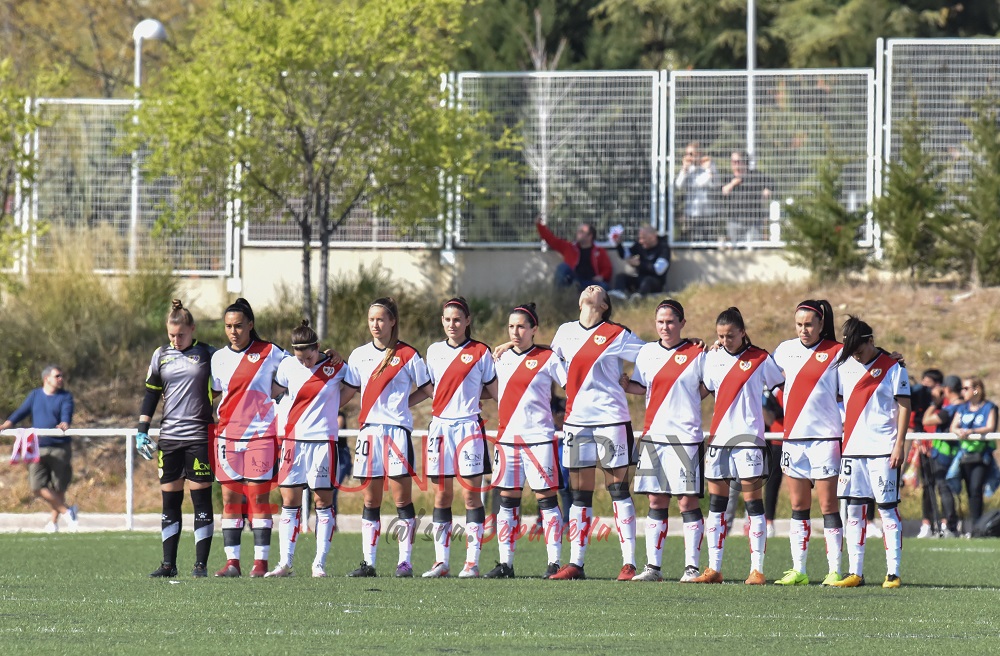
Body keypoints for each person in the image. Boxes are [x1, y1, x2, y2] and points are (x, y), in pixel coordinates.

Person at [547, 286, 645, 581]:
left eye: (598, 290)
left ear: (604, 306)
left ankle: (629, 563)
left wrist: (633, 381)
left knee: (618, 491)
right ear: (580, 302)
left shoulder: (617, 333)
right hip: (576, 422)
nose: (592, 288)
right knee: (580, 495)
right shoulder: (564, 332)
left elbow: (653, 355)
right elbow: (548, 362)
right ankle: (576, 563)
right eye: (588, 287)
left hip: (611, 419)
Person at [691, 307, 784, 585]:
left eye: (730, 335)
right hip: (719, 440)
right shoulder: (712, 358)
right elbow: (703, 389)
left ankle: (756, 569)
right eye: (720, 335)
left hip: (749, 441)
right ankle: (714, 568)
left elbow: (783, 386)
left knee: (752, 503)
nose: (725, 339)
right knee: (717, 505)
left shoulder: (760, 358)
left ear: (742, 332)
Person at [344, 297, 432, 578]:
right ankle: (368, 563)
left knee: (401, 500)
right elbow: (348, 391)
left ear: (392, 321)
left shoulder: (408, 354)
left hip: (397, 434)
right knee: (370, 501)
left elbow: (428, 389)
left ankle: (404, 563)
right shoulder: (358, 355)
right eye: (371, 320)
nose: (375, 325)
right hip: (369, 432)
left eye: (381, 319)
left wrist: (404, 403)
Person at [622, 299, 708, 582]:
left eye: (670, 321)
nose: (665, 326)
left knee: (686, 503)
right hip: (654, 437)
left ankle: (692, 567)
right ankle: (653, 568)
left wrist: (688, 402)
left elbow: (708, 386)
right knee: (656, 501)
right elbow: (641, 386)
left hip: (685, 438)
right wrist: (625, 385)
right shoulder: (647, 353)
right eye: (660, 322)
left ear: (682, 323)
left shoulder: (698, 352)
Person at [485, 303, 568, 579]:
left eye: (522, 326)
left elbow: (571, 386)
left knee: (546, 499)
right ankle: (505, 564)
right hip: (507, 439)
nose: (516, 331)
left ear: (534, 329)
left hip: (539, 439)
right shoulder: (500, 357)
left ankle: (554, 562)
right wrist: (505, 345)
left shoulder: (548, 357)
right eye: (511, 327)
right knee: (507, 501)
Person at [418, 298, 498, 579]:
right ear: (442, 321)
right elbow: (431, 388)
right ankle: (441, 562)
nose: (452, 324)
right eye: (447, 319)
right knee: (442, 495)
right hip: (440, 428)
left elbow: (493, 389)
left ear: (467, 321)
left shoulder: (480, 351)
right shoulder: (434, 351)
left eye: (457, 319)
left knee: (471, 497)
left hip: (469, 428)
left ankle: (472, 563)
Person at [136, 300, 217, 578]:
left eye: (180, 334)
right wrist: (141, 431)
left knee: (201, 500)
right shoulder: (160, 355)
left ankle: (200, 565)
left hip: (199, 438)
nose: (176, 339)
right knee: (170, 502)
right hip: (169, 439)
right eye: (171, 335)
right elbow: (151, 394)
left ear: (192, 329)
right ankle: (168, 564)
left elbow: (229, 381)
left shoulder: (208, 354)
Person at [266, 320, 352, 578]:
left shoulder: (335, 366)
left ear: (318, 348)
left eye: (310, 357)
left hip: (323, 442)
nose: (305, 362)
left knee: (322, 502)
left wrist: (331, 407)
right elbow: (274, 391)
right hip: (293, 441)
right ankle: (285, 563)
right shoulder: (287, 366)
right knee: (289, 502)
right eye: (300, 358)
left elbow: (352, 387)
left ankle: (319, 564)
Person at [770, 300, 846, 587]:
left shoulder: (838, 353)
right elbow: (758, 370)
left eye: (809, 324)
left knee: (828, 505)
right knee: (798, 505)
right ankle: (798, 569)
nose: (804, 330)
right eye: (799, 324)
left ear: (821, 325)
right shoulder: (785, 350)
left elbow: (847, 389)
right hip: (793, 440)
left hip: (825, 439)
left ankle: (834, 570)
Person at [830, 316, 910, 589]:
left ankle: (893, 572)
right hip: (852, 450)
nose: (857, 356)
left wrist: (899, 443)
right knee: (854, 510)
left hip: (882, 451)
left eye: (860, 350)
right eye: (852, 351)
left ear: (871, 341)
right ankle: (855, 572)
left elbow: (904, 406)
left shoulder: (893, 366)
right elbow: (840, 400)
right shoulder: (843, 367)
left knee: (887, 510)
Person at [211, 298, 287, 578]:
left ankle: (261, 563)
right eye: (229, 326)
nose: (233, 331)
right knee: (230, 501)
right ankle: (233, 562)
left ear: (250, 325)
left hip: (260, 436)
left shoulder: (270, 352)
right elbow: (218, 392)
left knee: (258, 499)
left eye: (239, 326)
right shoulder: (218, 358)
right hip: (227, 436)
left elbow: (300, 369)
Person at [1, 365, 76, 533]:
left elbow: (67, 412)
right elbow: (21, 412)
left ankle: (54, 523)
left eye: (61, 376)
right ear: (46, 378)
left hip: (60, 447)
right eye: (57, 376)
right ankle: (67, 511)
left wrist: (64, 423)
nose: (60, 379)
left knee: (59, 488)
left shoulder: (65, 396)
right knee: (37, 486)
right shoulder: (35, 395)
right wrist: (7, 424)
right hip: (38, 447)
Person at [948, 377, 997, 536]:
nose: (963, 392)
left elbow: (990, 426)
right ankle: (972, 527)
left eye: (966, 388)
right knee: (968, 491)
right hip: (964, 455)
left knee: (976, 490)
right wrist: (959, 432)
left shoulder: (989, 407)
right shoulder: (963, 408)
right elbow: (953, 427)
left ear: (976, 390)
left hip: (981, 456)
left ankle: (977, 527)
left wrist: (972, 432)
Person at [920, 375, 962, 537]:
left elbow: (926, 420)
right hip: (955, 453)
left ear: (948, 390)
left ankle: (949, 525)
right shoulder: (963, 406)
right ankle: (951, 524)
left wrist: (935, 403)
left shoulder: (951, 409)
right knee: (951, 489)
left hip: (944, 453)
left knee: (944, 488)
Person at [911, 369, 945, 537]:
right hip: (924, 449)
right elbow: (915, 422)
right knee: (927, 486)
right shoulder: (920, 404)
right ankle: (926, 524)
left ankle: (945, 523)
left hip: (941, 450)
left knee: (943, 487)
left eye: (928, 384)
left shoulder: (945, 404)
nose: (924, 387)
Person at [535, 217, 612, 290]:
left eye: (582, 231)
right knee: (562, 267)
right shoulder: (569, 247)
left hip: (590, 283)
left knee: (603, 286)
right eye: (578, 231)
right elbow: (551, 240)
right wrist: (540, 225)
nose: (578, 233)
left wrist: (602, 276)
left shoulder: (599, 251)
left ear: (590, 236)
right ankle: (558, 297)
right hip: (573, 281)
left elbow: (607, 268)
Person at [721, 150, 773, 243]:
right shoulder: (728, 177)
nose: (735, 165)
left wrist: (767, 190)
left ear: (744, 162)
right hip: (734, 220)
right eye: (733, 162)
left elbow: (771, 184)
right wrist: (733, 183)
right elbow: (722, 192)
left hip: (753, 221)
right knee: (736, 250)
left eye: (738, 162)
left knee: (755, 247)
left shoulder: (755, 175)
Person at [609, 225, 671, 298]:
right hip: (640, 279)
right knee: (621, 276)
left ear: (653, 237)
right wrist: (619, 244)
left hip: (655, 282)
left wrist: (639, 264)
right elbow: (625, 254)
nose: (640, 241)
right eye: (640, 238)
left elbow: (658, 270)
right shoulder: (640, 245)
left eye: (643, 238)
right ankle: (618, 296)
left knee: (648, 280)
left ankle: (639, 298)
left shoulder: (664, 248)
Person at [674, 141, 717, 241]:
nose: (689, 157)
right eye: (687, 154)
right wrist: (684, 170)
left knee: (709, 241)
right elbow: (679, 185)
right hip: (692, 212)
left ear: (699, 153)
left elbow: (715, 183)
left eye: (691, 154)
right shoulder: (687, 168)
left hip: (708, 212)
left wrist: (708, 170)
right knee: (693, 241)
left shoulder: (709, 165)